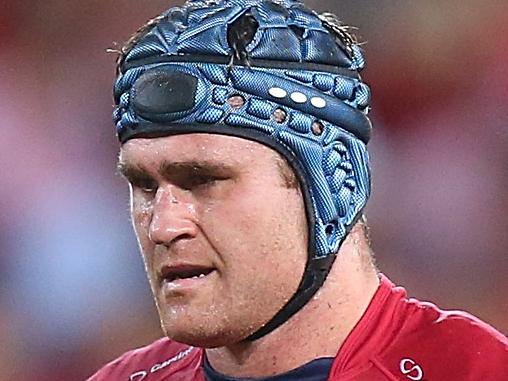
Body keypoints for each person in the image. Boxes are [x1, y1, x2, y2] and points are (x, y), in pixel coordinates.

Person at [88, 0, 508, 379]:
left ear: (336, 180)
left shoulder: (477, 370)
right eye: (144, 186)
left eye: (204, 180)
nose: (163, 226)